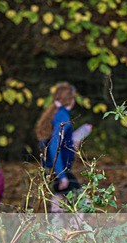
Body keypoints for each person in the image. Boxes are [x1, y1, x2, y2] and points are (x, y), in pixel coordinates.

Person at [34, 82, 92, 213]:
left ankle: (58, 232)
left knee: (58, 201)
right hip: (61, 169)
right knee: (83, 203)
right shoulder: (63, 116)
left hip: (54, 168)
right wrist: (62, 175)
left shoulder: (56, 113)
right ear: (70, 100)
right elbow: (54, 145)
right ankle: (73, 231)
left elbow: (55, 140)